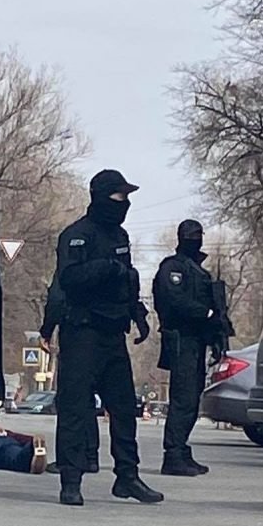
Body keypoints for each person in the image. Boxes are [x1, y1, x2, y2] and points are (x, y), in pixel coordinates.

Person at [52, 169, 162, 507]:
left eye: (127, 198)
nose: (124, 203)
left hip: (113, 333)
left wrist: (138, 313)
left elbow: (127, 281)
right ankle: (71, 480)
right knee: (75, 408)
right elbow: (68, 280)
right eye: (119, 196)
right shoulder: (76, 236)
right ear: (100, 196)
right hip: (82, 331)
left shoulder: (121, 236)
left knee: (124, 408)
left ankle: (127, 477)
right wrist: (103, 268)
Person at [152, 219, 230, 477]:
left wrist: (217, 336)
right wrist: (205, 313)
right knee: (182, 398)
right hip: (180, 340)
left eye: (198, 234)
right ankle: (173, 454)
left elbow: (214, 311)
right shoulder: (172, 268)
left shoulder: (200, 272)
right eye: (190, 235)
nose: (194, 238)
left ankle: (181, 449)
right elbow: (173, 300)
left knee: (192, 397)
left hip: (197, 341)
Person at [40, 275, 100, 475]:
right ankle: (91, 456)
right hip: (105, 337)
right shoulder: (108, 263)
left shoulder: (70, 268)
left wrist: (46, 331)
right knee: (88, 398)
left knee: (70, 400)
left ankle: (68, 459)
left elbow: (56, 301)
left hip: (75, 336)